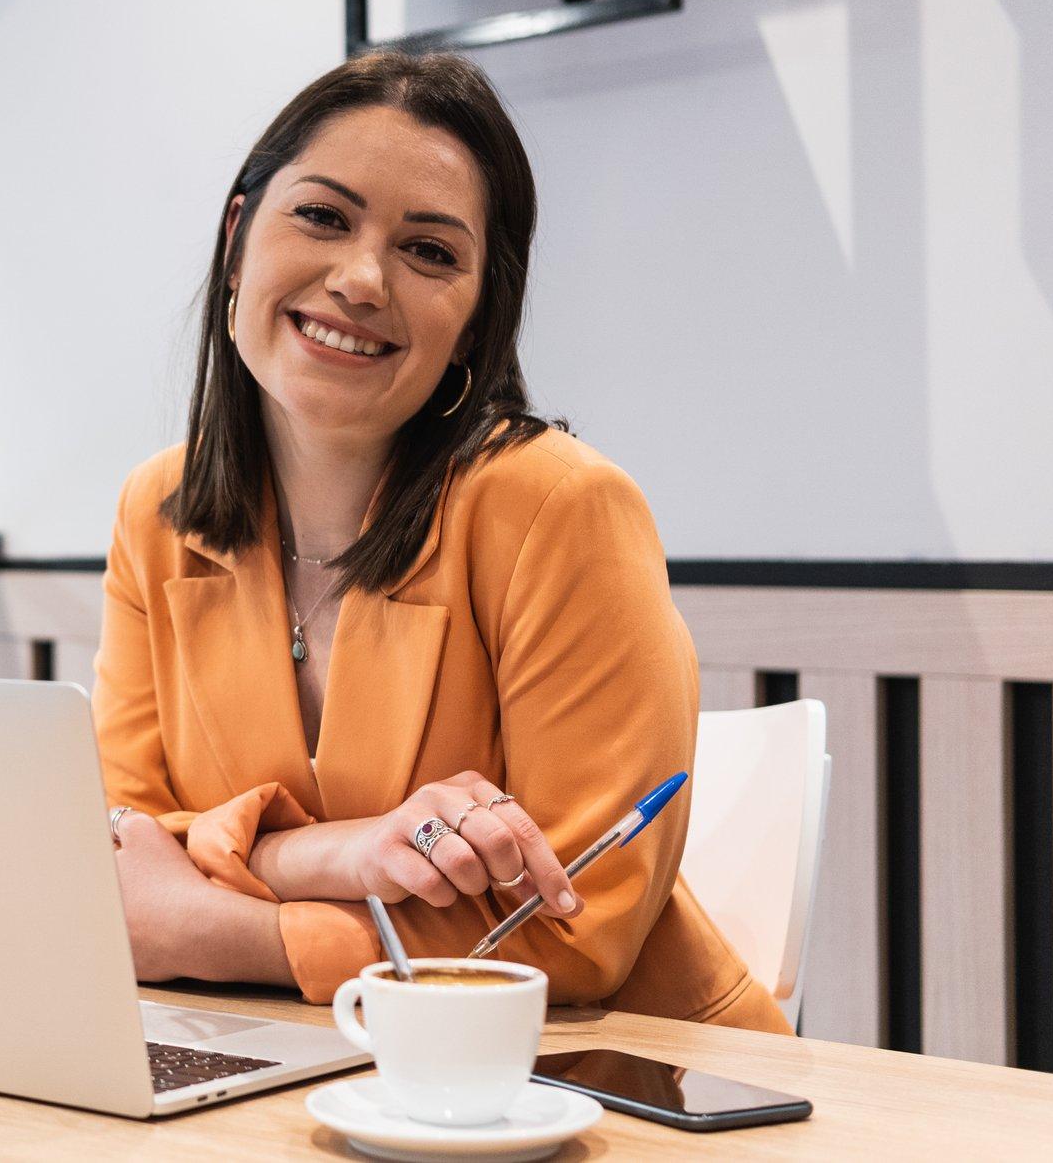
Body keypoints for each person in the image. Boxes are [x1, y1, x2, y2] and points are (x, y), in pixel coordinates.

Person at [93, 50, 791, 1034]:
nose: (360, 279)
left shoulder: (561, 510)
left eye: (428, 252)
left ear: (472, 321)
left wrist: (228, 930)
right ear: (237, 236)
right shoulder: (154, 509)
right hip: (275, 1059)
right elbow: (121, 848)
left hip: (604, 1081)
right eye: (323, 216)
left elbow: (573, 932)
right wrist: (327, 853)